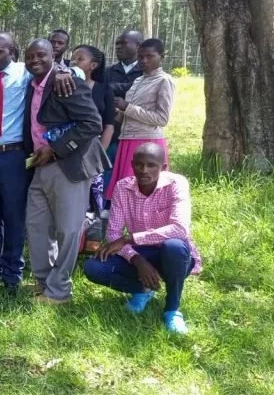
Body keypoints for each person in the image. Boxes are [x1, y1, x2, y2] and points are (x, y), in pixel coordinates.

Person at [0, 32, 74, 291]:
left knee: (14, 215)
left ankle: (12, 272)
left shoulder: (26, 75)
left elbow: (53, 71)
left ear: (12, 52)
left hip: (15, 157)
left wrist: (64, 71)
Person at [22, 39, 109, 304]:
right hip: (39, 165)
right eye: (30, 56)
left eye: (41, 55)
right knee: (36, 226)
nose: (35, 60)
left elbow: (92, 124)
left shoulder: (67, 82)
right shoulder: (32, 84)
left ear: (54, 57)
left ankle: (59, 291)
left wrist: (55, 149)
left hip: (68, 165)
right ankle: (44, 282)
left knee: (68, 230)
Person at [84, 143, 201, 334]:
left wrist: (129, 239)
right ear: (132, 165)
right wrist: (136, 259)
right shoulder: (123, 187)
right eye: (139, 164)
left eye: (151, 165)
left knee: (174, 247)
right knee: (93, 267)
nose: (144, 170)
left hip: (173, 255)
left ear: (163, 167)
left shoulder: (176, 184)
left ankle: (172, 310)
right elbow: (113, 233)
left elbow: (179, 229)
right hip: (141, 253)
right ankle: (143, 289)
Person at [106, 38, 175, 200]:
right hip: (127, 139)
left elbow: (162, 119)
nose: (144, 61)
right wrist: (115, 112)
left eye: (149, 56)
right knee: (125, 192)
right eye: (140, 57)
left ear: (161, 57)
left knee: (142, 192)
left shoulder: (164, 81)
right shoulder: (138, 80)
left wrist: (127, 107)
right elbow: (129, 115)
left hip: (146, 142)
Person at [71, 45, 116, 212]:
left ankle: (89, 227)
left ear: (93, 65)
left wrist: (98, 155)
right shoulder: (63, 87)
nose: (74, 62)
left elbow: (109, 126)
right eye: (73, 58)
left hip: (93, 150)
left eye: (80, 59)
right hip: (66, 149)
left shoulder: (104, 90)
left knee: (91, 197)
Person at [107, 30, 144, 97]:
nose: (118, 47)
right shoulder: (107, 72)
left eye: (123, 43)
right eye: (117, 44)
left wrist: (109, 86)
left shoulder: (146, 72)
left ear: (138, 46)